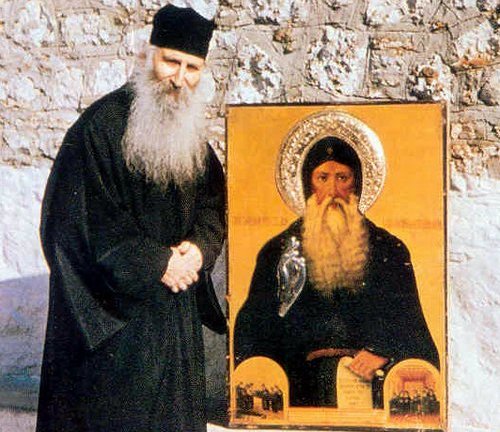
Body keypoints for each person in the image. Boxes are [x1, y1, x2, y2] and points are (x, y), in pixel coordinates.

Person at [37, 5, 225, 432]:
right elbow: (76, 222)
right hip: (114, 326)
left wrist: (199, 250)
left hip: (173, 321)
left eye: (192, 68)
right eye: (171, 61)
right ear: (147, 56)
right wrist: (159, 263)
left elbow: (213, 205)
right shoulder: (99, 128)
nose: (179, 77)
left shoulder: (191, 135)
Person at [234, 136, 439, 408]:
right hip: (300, 391)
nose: (332, 190)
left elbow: (412, 329)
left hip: (370, 389)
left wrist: (384, 351)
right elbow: (254, 331)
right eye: (323, 178)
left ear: (357, 184)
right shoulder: (279, 252)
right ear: (308, 184)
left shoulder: (389, 250)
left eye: (343, 177)